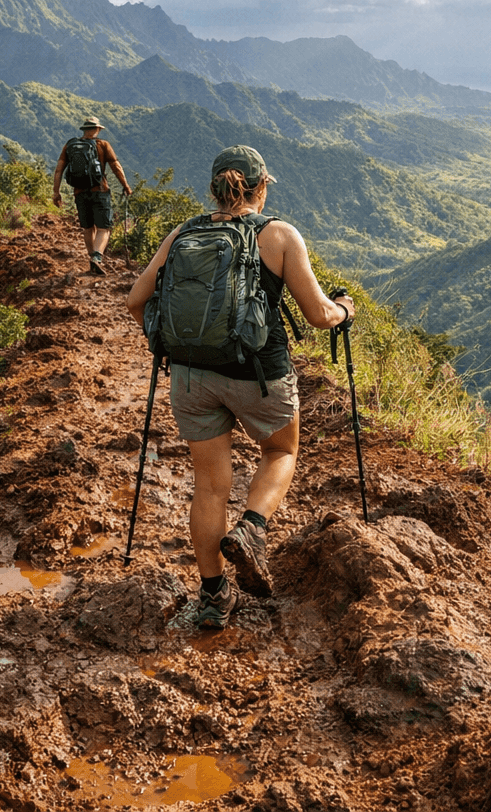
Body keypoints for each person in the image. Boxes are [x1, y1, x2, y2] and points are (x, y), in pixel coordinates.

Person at [125, 145, 355, 629]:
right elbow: (317, 315)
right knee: (281, 452)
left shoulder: (181, 234)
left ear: (214, 189)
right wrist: (345, 310)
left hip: (190, 374)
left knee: (209, 486)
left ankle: (212, 597)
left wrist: (163, 339)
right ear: (261, 187)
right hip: (257, 373)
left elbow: (135, 300)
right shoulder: (278, 235)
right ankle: (251, 529)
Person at [52, 117, 132, 276]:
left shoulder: (70, 145)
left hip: (79, 192)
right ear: (97, 130)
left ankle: (92, 259)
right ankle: (96, 258)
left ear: (84, 130)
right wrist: (126, 186)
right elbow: (116, 166)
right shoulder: (103, 145)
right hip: (100, 191)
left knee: (88, 227)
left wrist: (56, 192)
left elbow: (59, 170)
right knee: (104, 228)